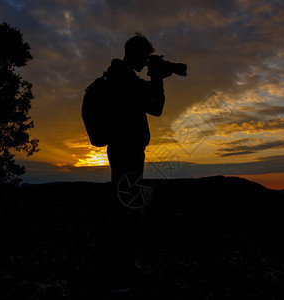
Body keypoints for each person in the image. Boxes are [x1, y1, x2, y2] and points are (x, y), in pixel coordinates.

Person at [97, 33, 167, 294]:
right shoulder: (126, 78)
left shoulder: (118, 75)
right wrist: (157, 76)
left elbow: (143, 98)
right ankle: (119, 275)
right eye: (146, 57)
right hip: (128, 150)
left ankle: (118, 268)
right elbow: (156, 107)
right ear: (138, 55)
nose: (147, 62)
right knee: (125, 209)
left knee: (122, 204)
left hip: (121, 148)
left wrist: (156, 76)